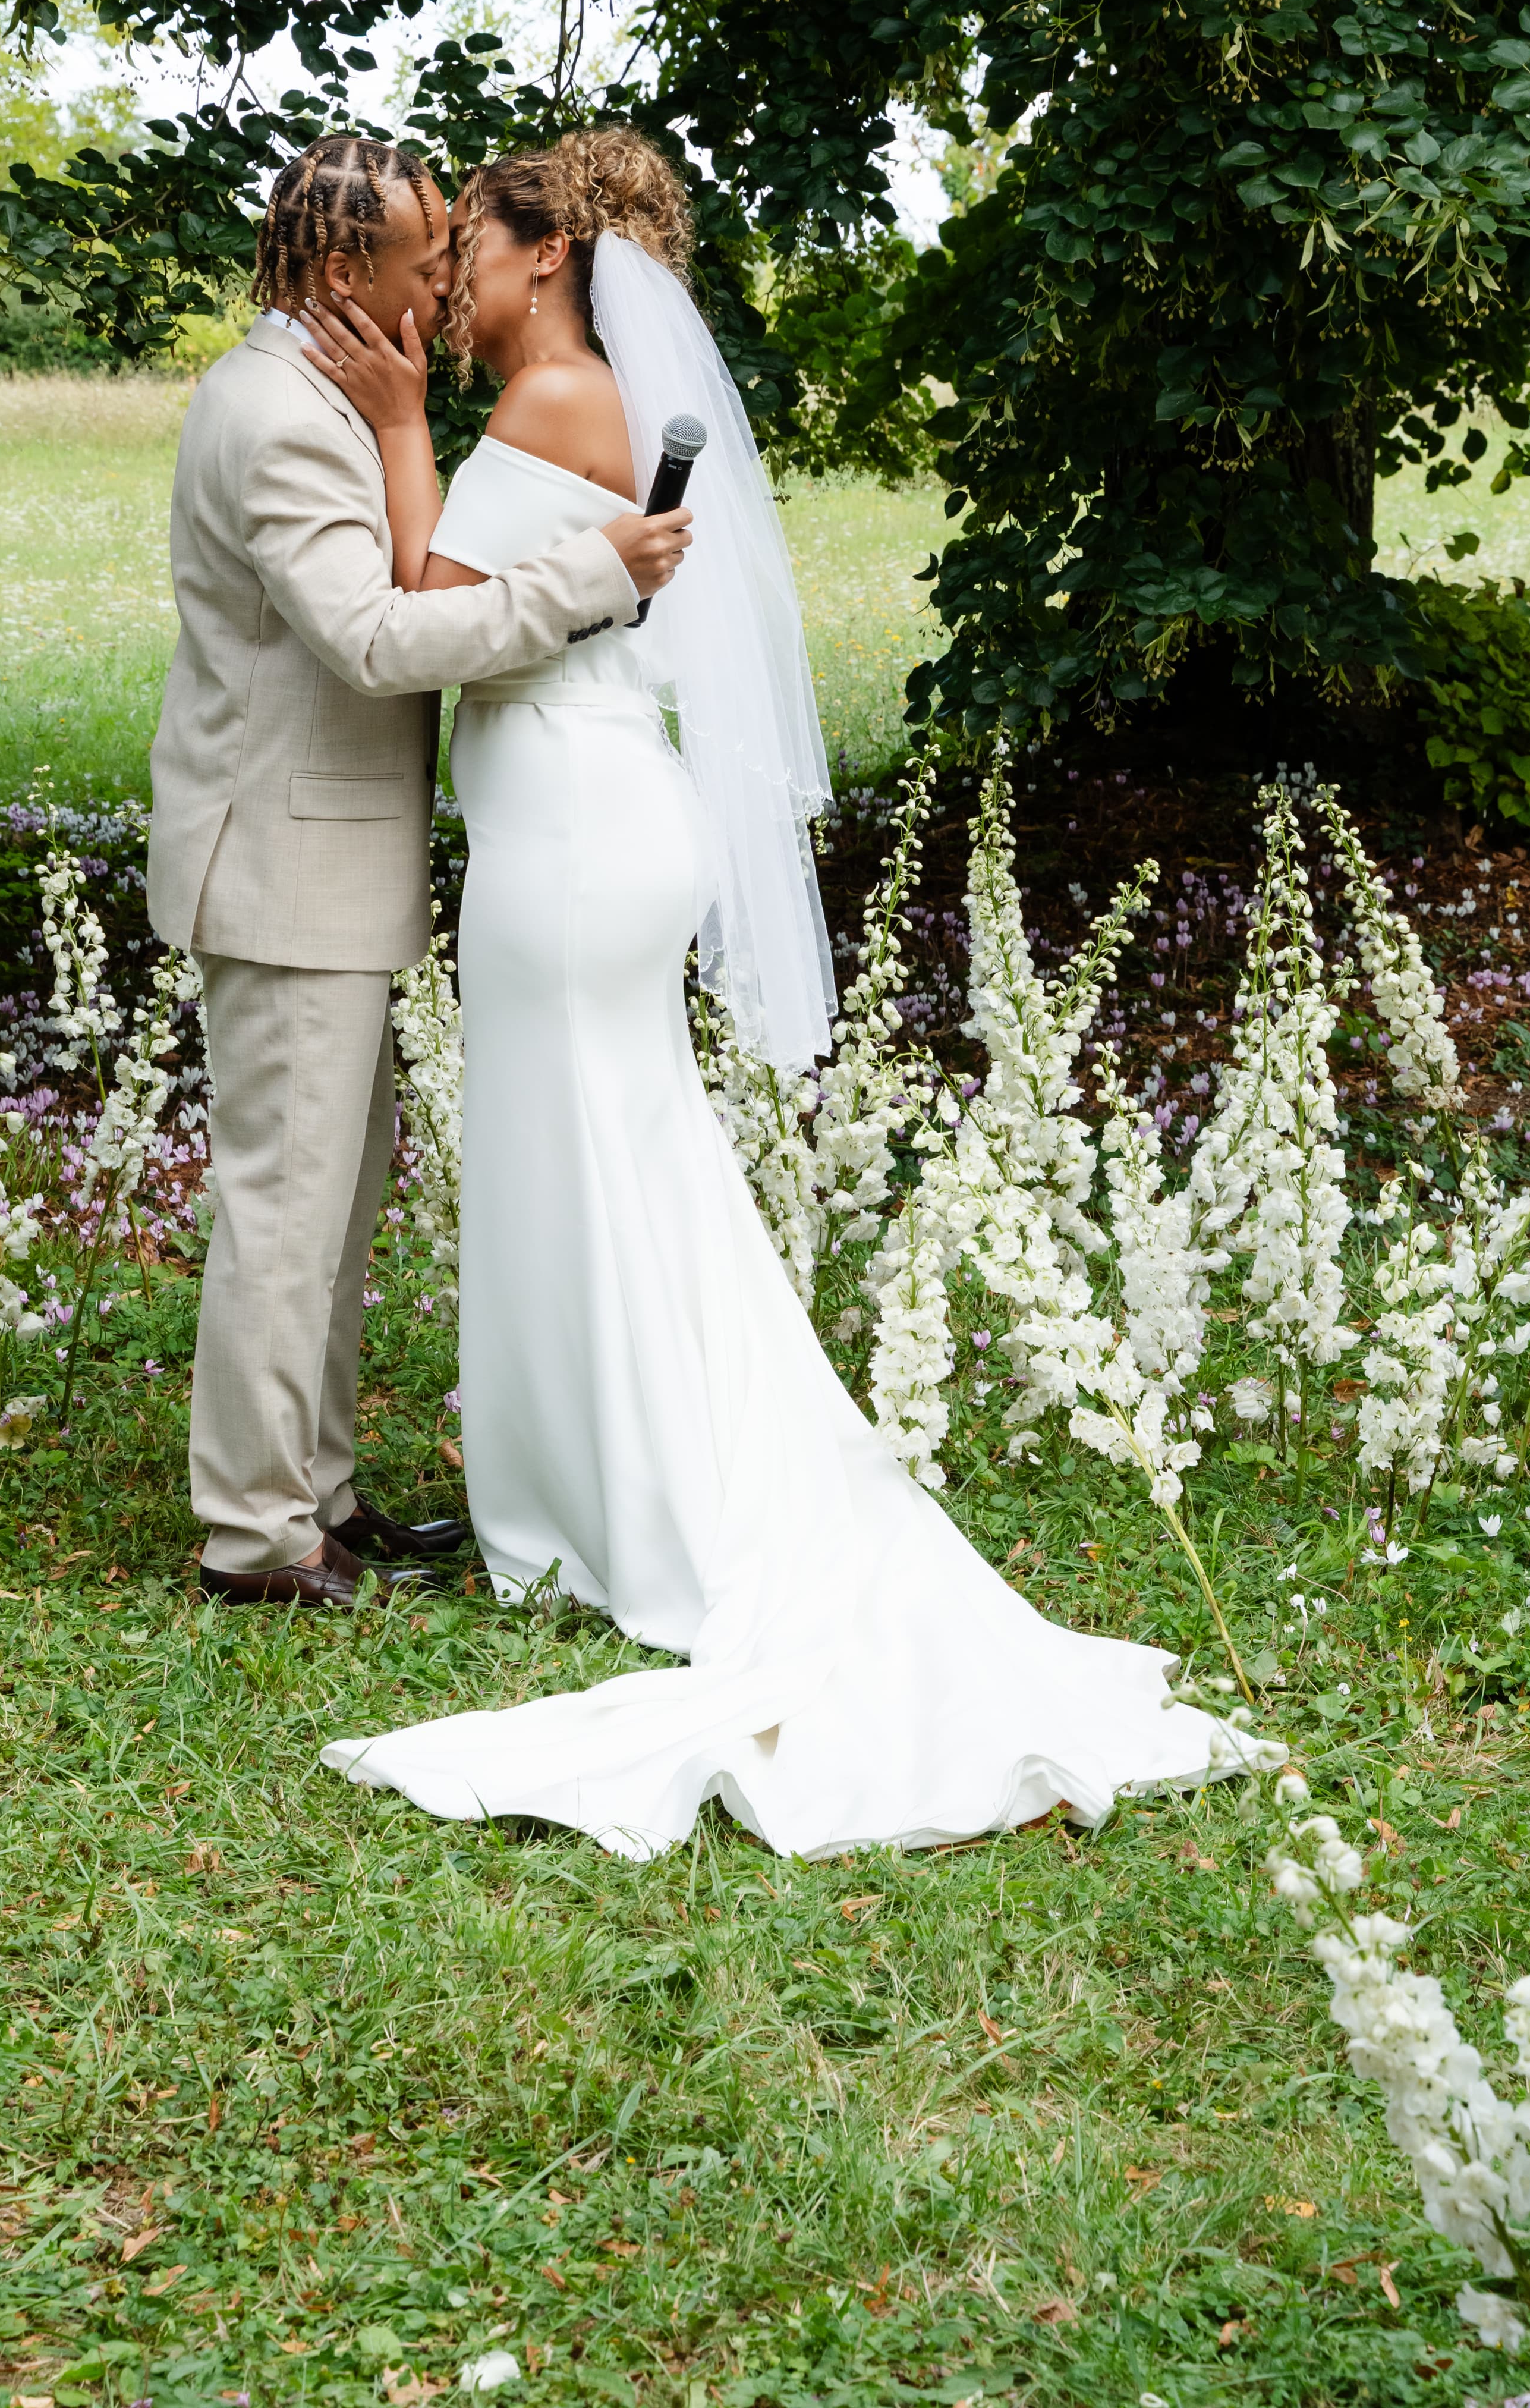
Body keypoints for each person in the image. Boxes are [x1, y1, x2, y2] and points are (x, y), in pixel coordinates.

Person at [302, 127, 1257, 1856]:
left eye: (474, 251)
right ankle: (586, 1498)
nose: (445, 284)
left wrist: (391, 433)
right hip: (591, 820)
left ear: (543, 257)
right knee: (608, 1164)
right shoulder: (582, 403)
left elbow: (430, 603)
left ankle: (607, 1515)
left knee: (583, 1164)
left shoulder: (554, 405)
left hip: (579, 838)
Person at [147, 132, 693, 1613]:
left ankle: (316, 1493)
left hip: (326, 867)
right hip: (280, 869)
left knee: (330, 1199)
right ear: (344, 271)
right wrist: (597, 575)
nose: (448, 273)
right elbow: (380, 639)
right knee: (284, 1202)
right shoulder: (273, 417)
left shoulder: (330, 393)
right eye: (424, 251)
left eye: (457, 244)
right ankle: (255, 1541)